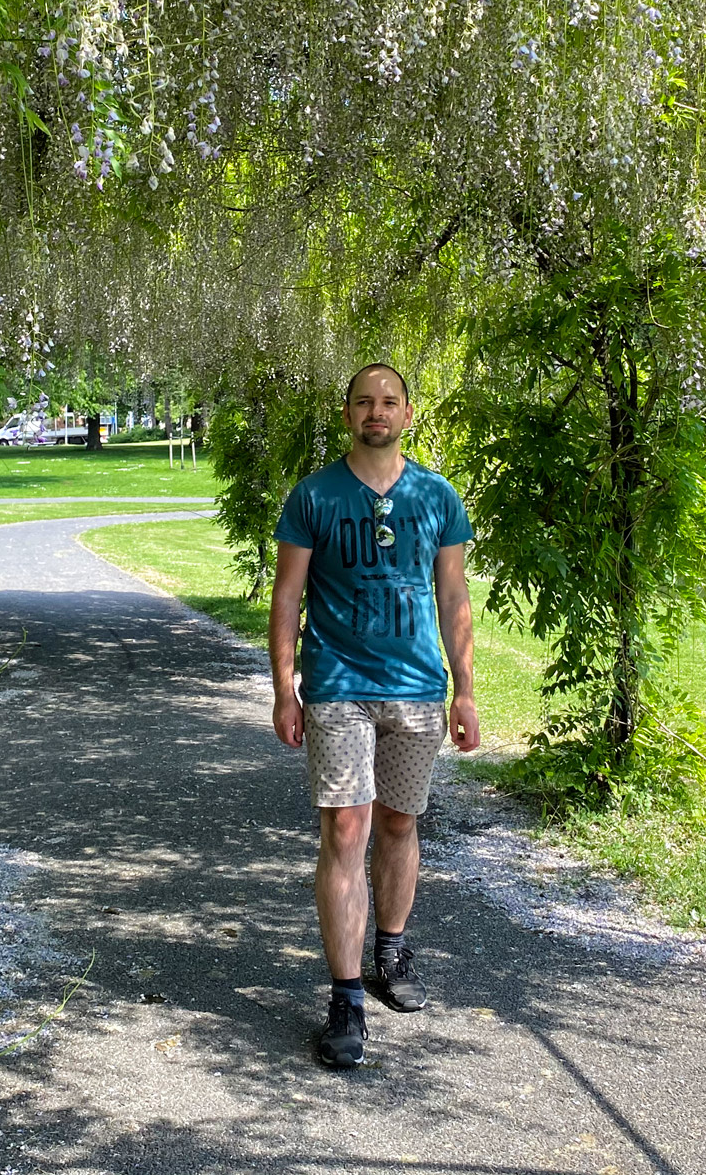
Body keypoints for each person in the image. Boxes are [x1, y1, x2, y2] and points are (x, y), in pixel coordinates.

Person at [269, 363, 480, 1069]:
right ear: (348, 413)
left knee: (399, 820)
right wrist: (283, 687)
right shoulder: (315, 496)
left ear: (408, 414)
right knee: (347, 827)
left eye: (389, 402)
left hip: (417, 688)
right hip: (338, 687)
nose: (376, 412)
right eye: (364, 402)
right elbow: (287, 598)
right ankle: (345, 996)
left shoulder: (437, 497)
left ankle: (390, 952)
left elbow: (453, 599)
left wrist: (466, 690)